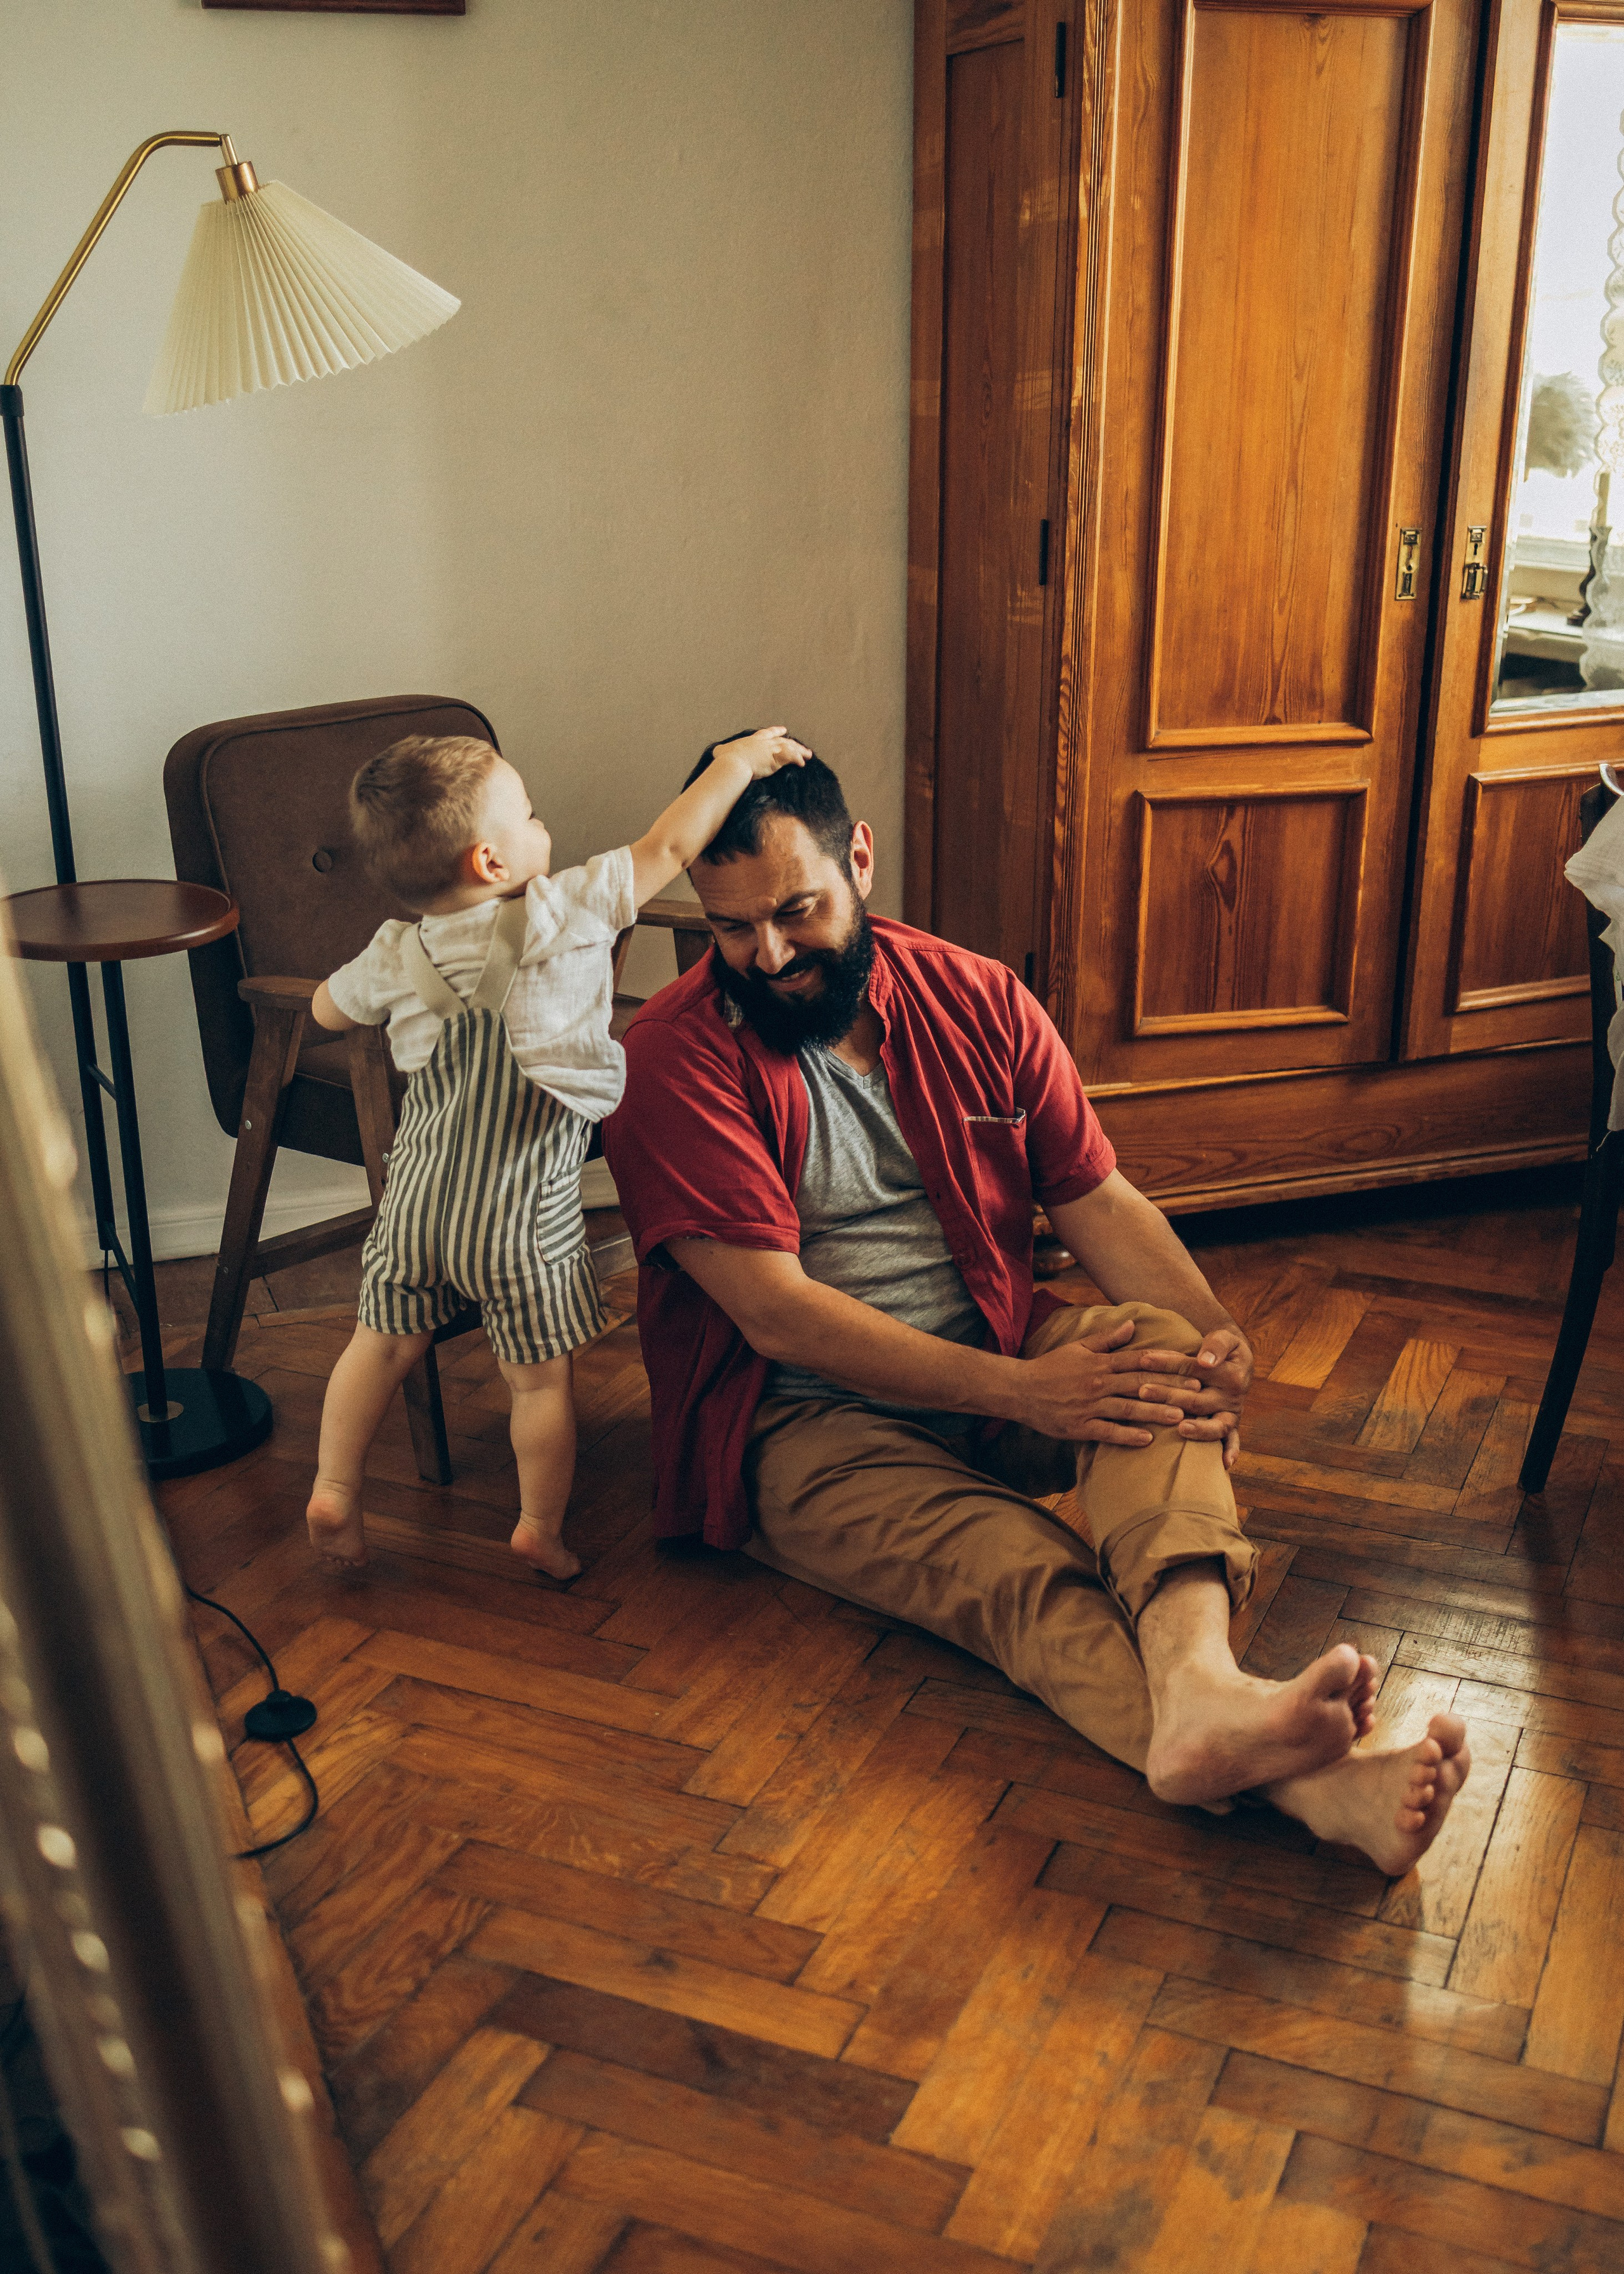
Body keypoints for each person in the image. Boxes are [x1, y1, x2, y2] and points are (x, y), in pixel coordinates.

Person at [603, 743, 1472, 1876]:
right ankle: (1320, 1792)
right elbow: (778, 1319)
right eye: (731, 929)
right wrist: (1025, 1392)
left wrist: (1219, 1349)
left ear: (859, 860)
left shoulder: (973, 994)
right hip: (802, 1422)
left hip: (1001, 1343)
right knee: (1014, 1567)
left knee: (1161, 1349)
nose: (767, 956)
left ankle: (1202, 1689)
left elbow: (1094, 1197)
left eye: (796, 910)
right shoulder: (666, 1060)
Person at [303, 725, 809, 1576]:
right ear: (492, 863)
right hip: (519, 1220)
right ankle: (539, 1524)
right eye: (529, 815)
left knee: (377, 1345)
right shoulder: (562, 909)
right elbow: (672, 844)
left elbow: (324, 1011)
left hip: (416, 1205)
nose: (545, 827)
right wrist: (734, 763)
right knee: (537, 1383)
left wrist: (349, 998)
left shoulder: (396, 950)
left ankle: (333, 1488)